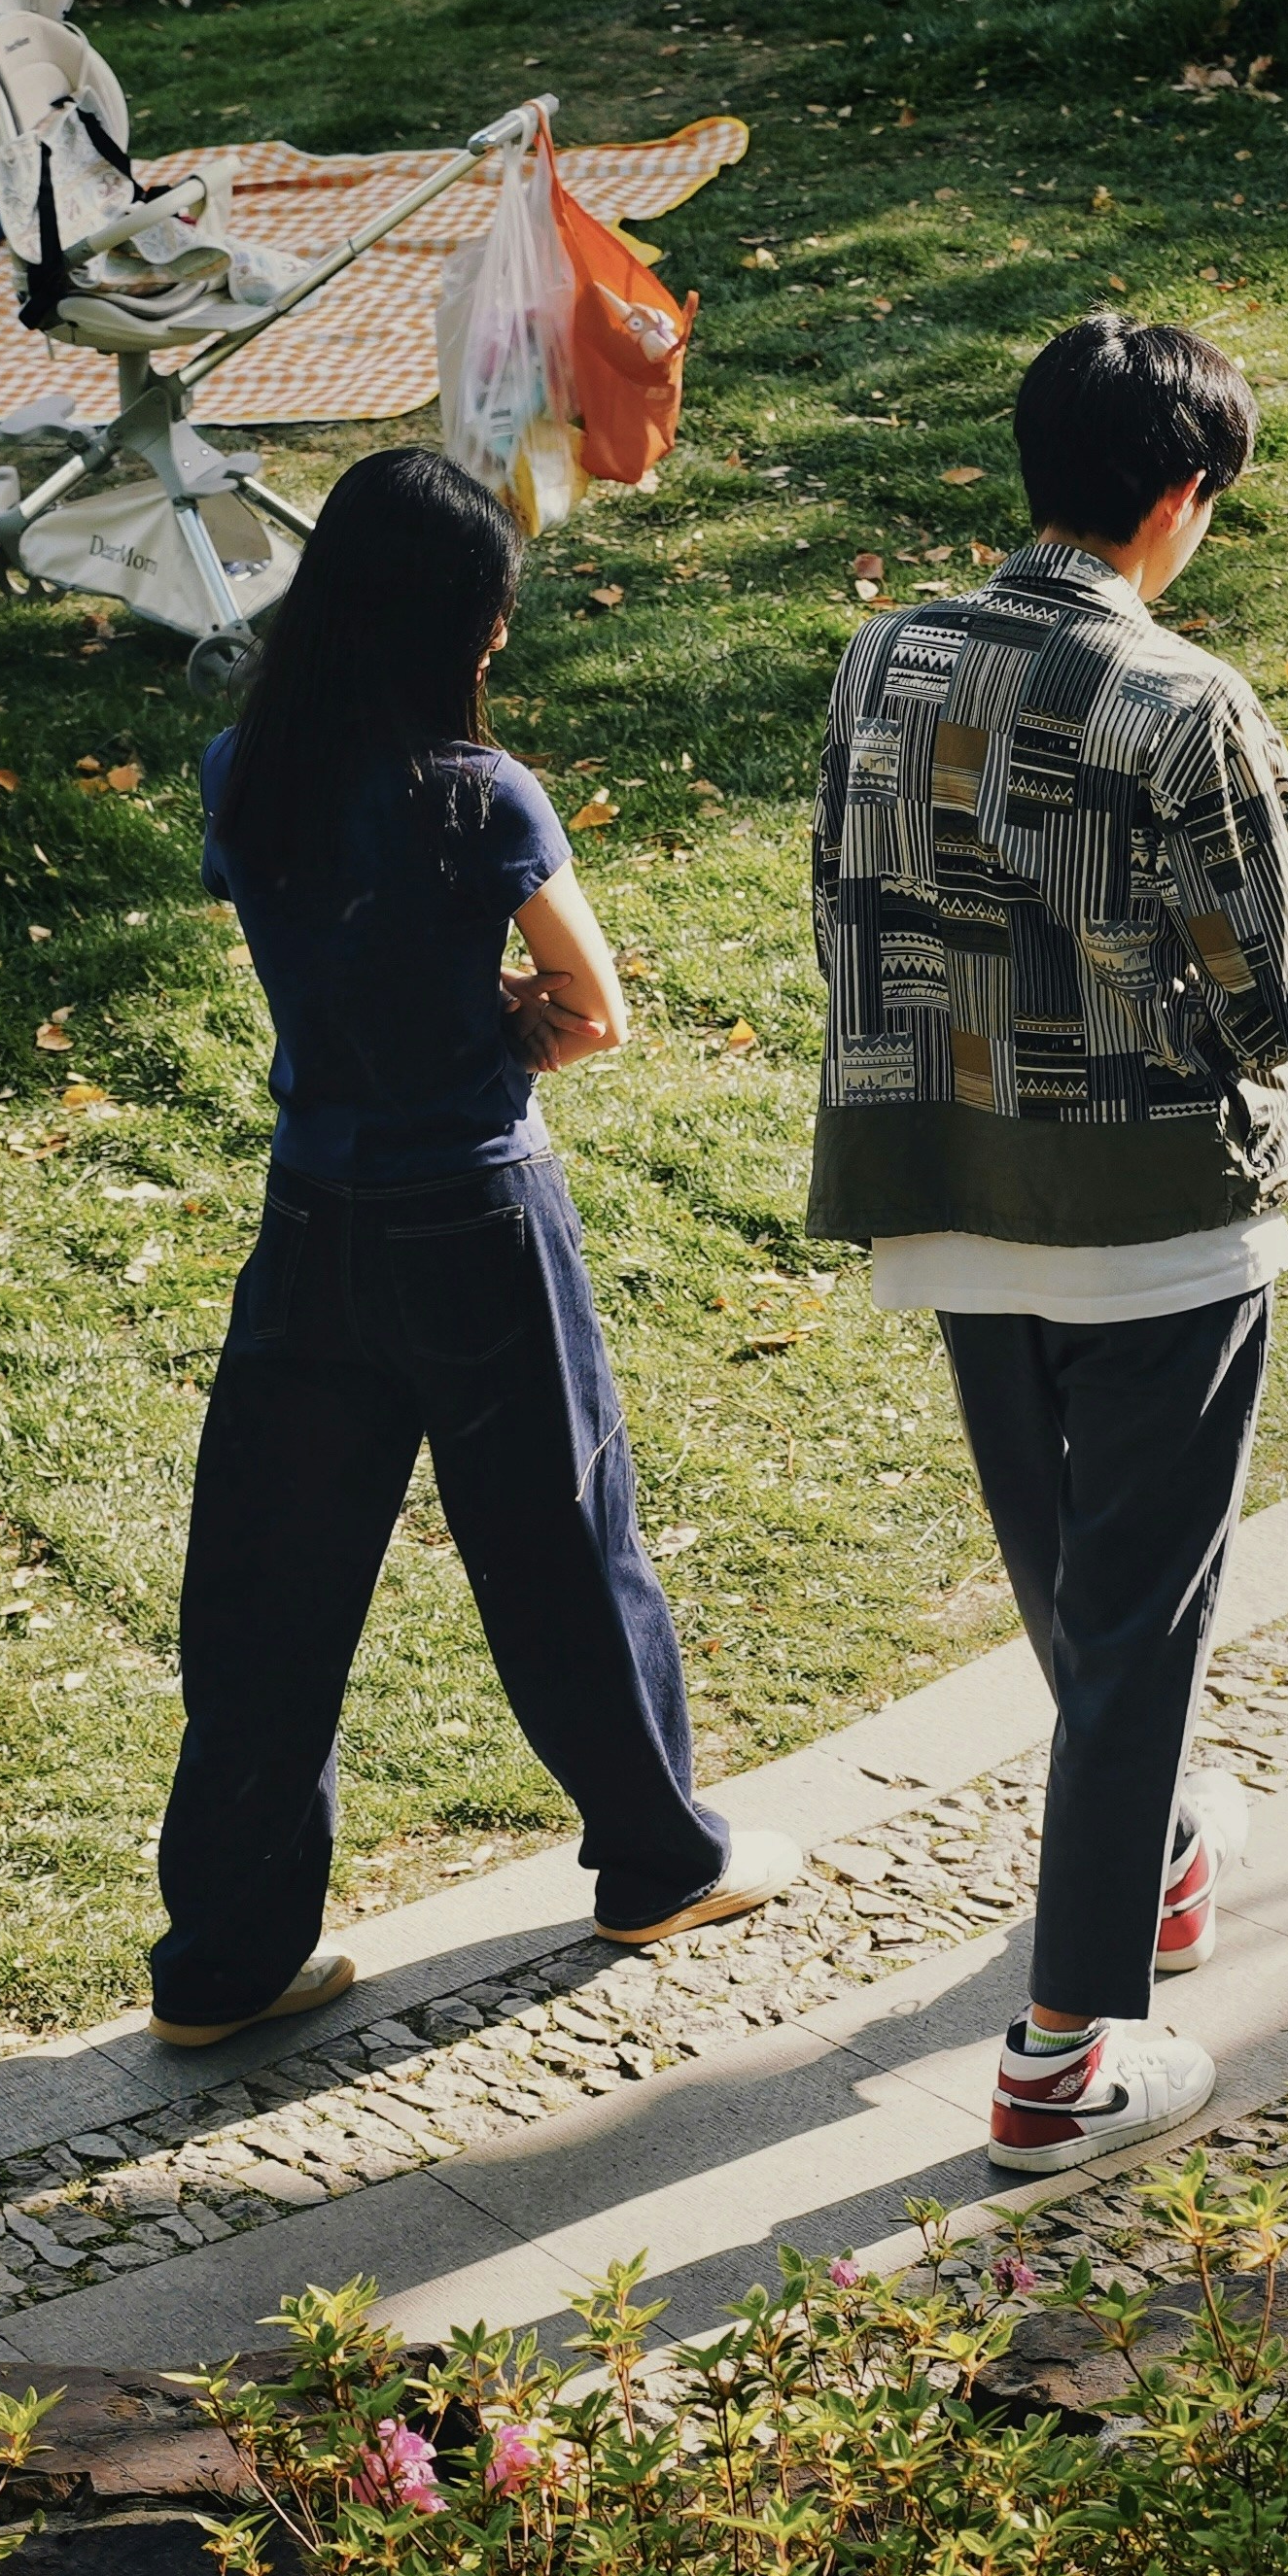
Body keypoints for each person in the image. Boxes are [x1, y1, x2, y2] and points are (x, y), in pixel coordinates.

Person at [144, 446, 788, 2047]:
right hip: (480, 1221)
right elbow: (596, 1013)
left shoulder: (244, 768)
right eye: (492, 617)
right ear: (451, 626)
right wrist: (504, 1031)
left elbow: (320, 963)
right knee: (562, 1554)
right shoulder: (478, 794)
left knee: (265, 1589)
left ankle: (222, 1957)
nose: (499, 642)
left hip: (312, 1220)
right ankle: (654, 1856)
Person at [804, 316, 1288, 2178]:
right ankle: (1063, 2040)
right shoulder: (1180, 702)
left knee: (1076, 1590)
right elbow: (1279, 998)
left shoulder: (886, 652)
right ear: (1180, 498)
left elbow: (839, 902)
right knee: (1137, 1617)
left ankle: (1165, 1830)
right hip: (1152, 1221)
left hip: (944, 1184)